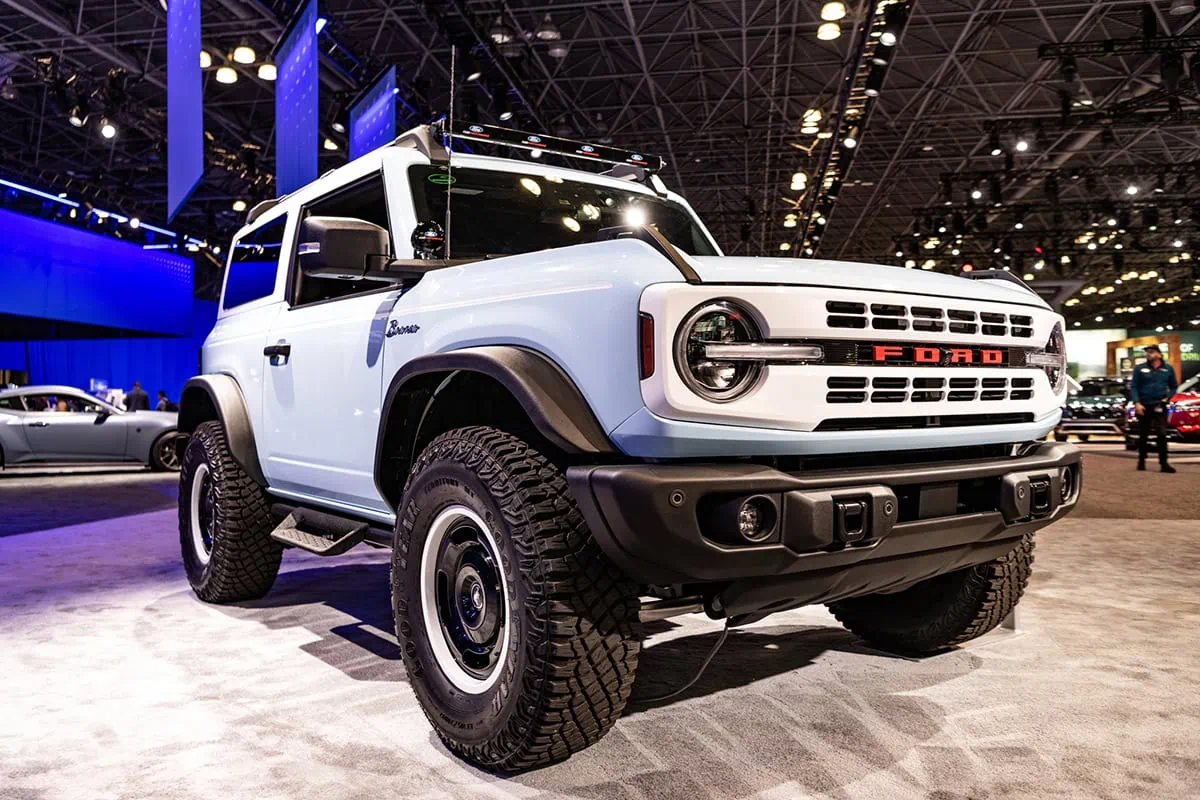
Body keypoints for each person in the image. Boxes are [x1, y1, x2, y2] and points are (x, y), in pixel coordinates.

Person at [1130, 344, 1178, 473]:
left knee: (1162, 434)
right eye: (1147, 352)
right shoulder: (1140, 369)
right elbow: (1134, 386)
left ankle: (1164, 463)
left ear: (1158, 354)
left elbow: (1174, 386)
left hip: (1159, 405)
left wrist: (1167, 398)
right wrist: (1136, 403)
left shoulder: (1168, 369)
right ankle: (1141, 460)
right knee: (1143, 434)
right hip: (1144, 405)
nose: (1148, 354)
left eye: (1151, 352)